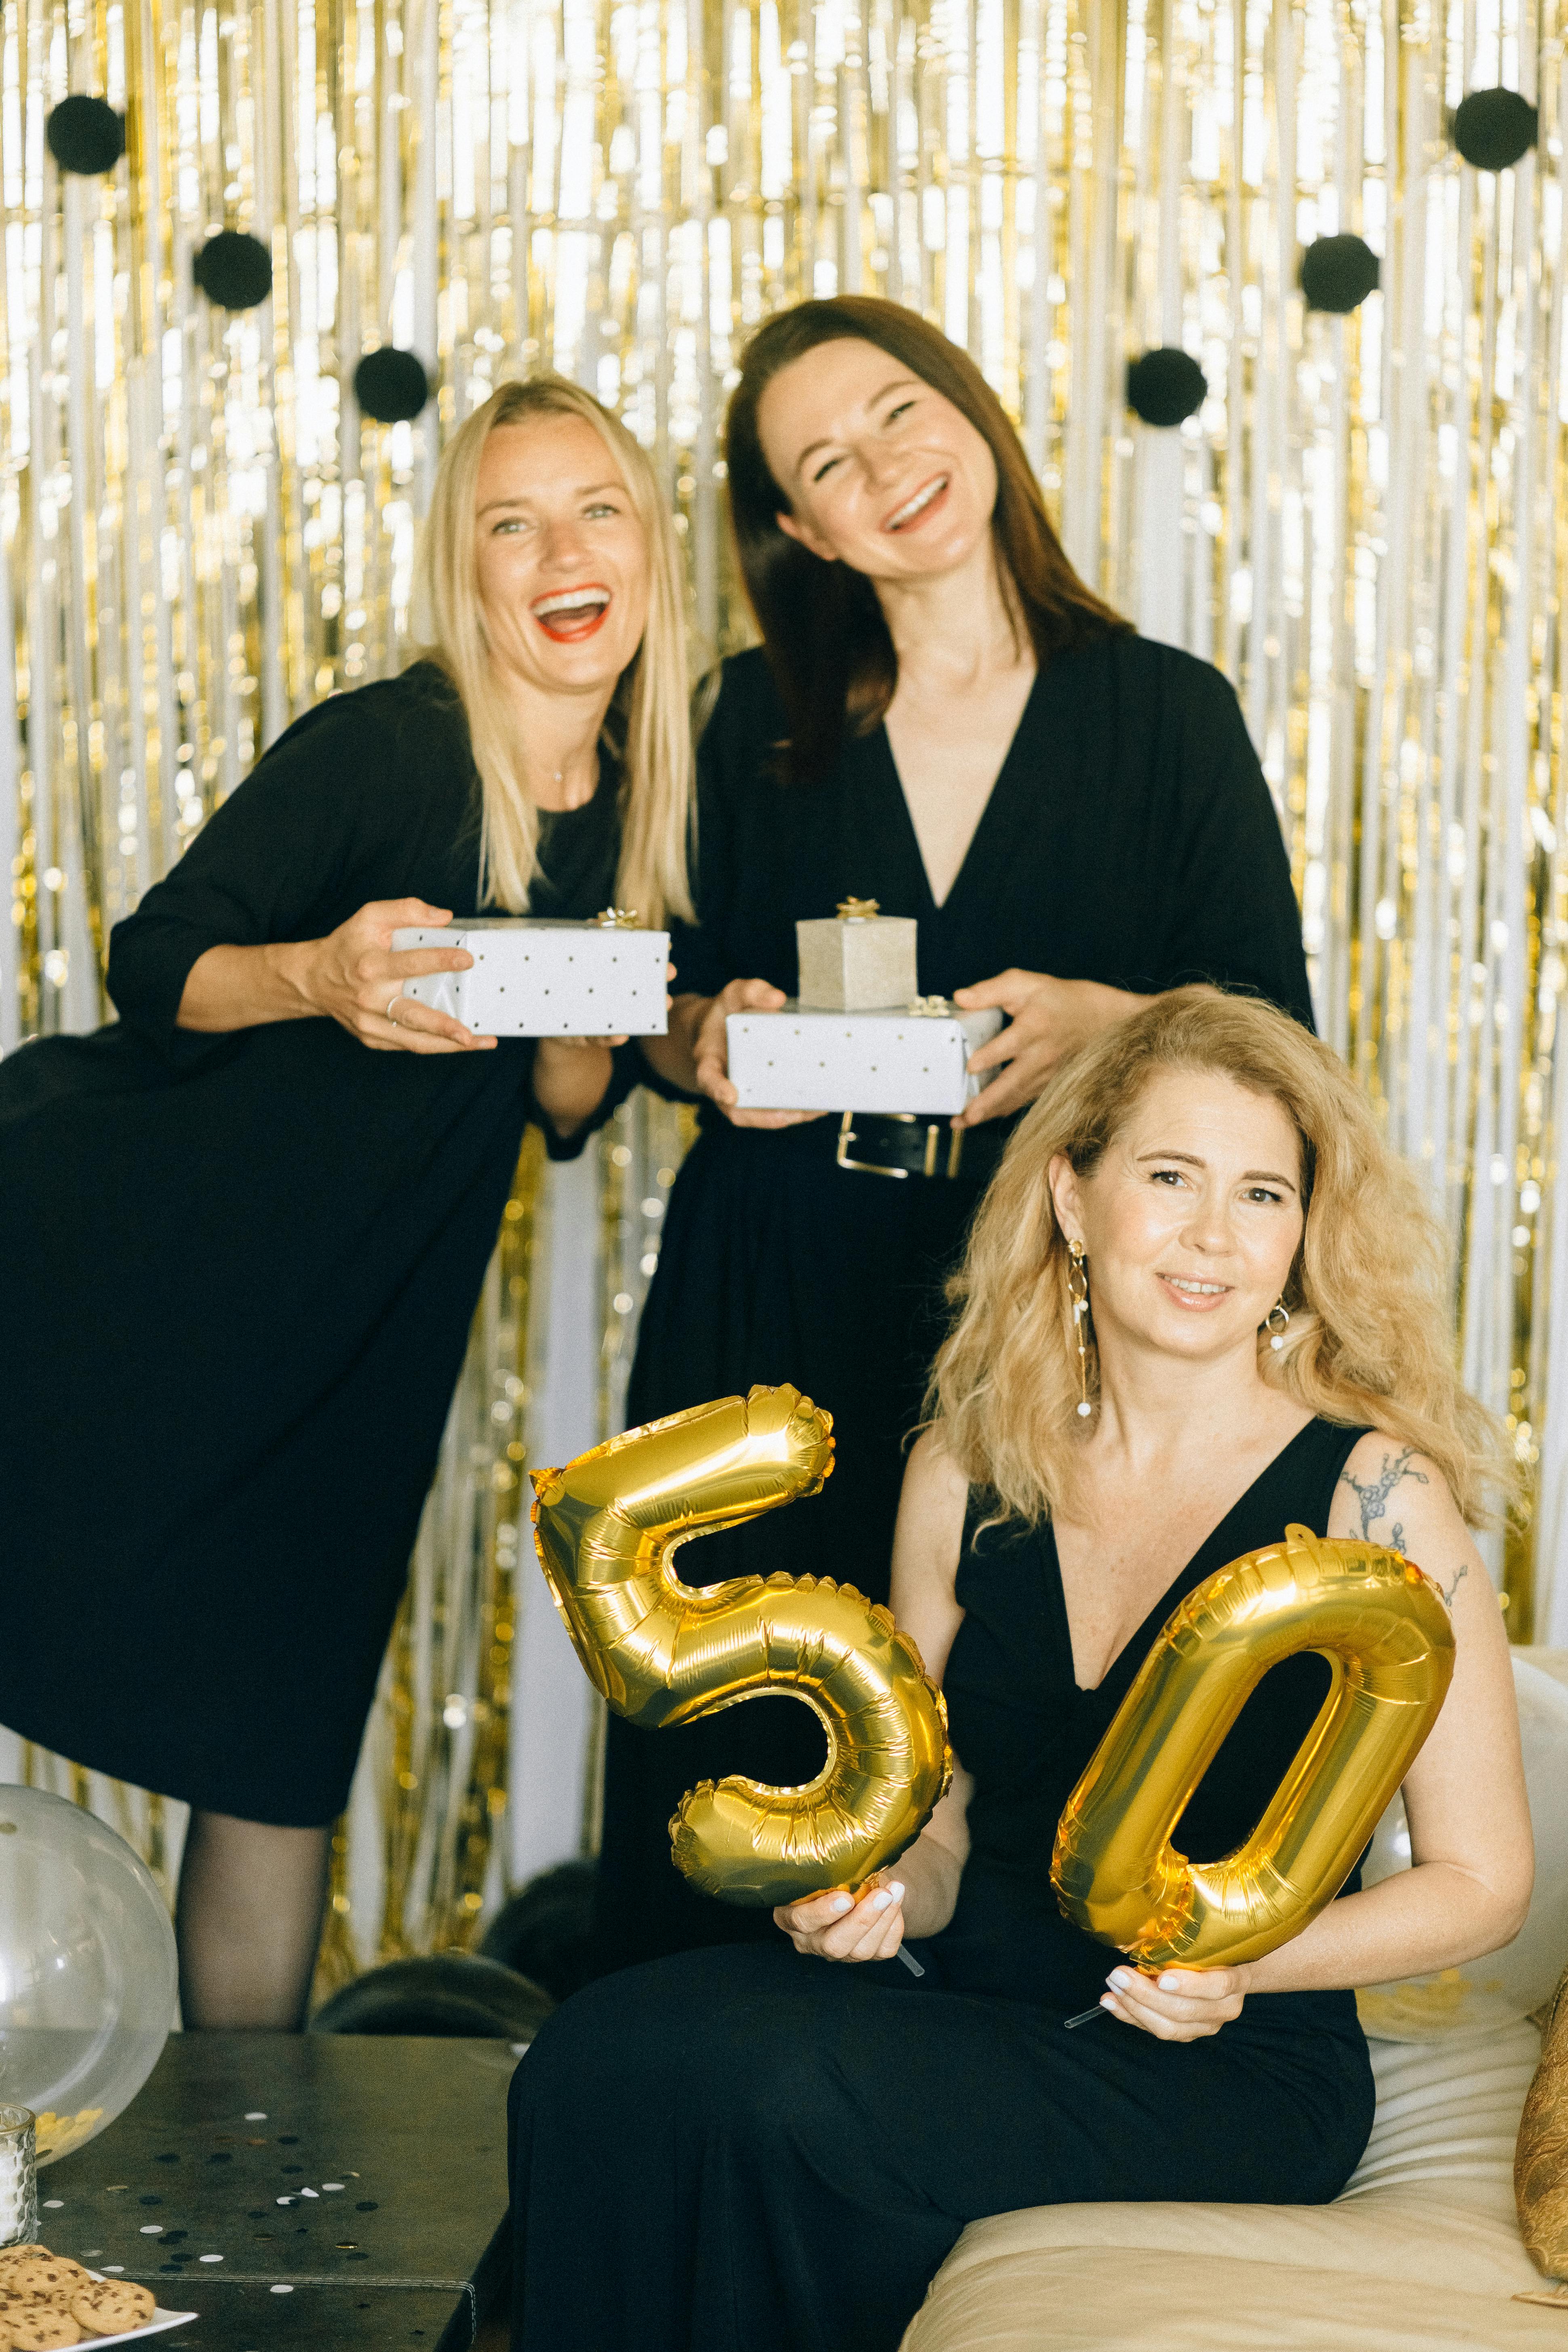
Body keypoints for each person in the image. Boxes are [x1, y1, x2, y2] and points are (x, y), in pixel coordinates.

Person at [508, 988, 1532, 2352]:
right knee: (594, 2050)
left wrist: (1255, 1961)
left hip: (1219, 2053)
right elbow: (930, 1800)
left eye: (1264, 1195)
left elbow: (1484, 1881)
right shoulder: (967, 1467)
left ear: (1303, 1235)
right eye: (1171, 1178)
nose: (1215, 1236)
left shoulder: (1378, 1492)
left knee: (774, 2088)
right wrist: (876, 1891)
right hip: (970, 1989)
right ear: (1071, 1194)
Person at [602, 293, 1318, 1970]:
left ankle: (953, 2117)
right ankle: (690, 2108)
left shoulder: (1164, 712)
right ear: (801, 530)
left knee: (993, 1726)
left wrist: (1119, 1030)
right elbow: (647, 1002)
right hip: (769, 1283)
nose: (887, 471)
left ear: (976, 417)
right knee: (742, 1722)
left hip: (1050, 1306)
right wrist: (705, 1041)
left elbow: (1279, 1042)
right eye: (827, 464)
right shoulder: (740, 721)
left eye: (901, 413)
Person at [0, 376, 692, 2030]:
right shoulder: (390, 746)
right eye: (507, 524)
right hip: (125, 1264)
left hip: (354, 1333)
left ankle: (238, 2205)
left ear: (652, 550)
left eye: (595, 508)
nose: (559, 552)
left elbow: (563, 1105)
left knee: (282, 1748)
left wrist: (603, 1033)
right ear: (464, 573)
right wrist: (322, 974)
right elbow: (157, 960)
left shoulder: (643, 814)